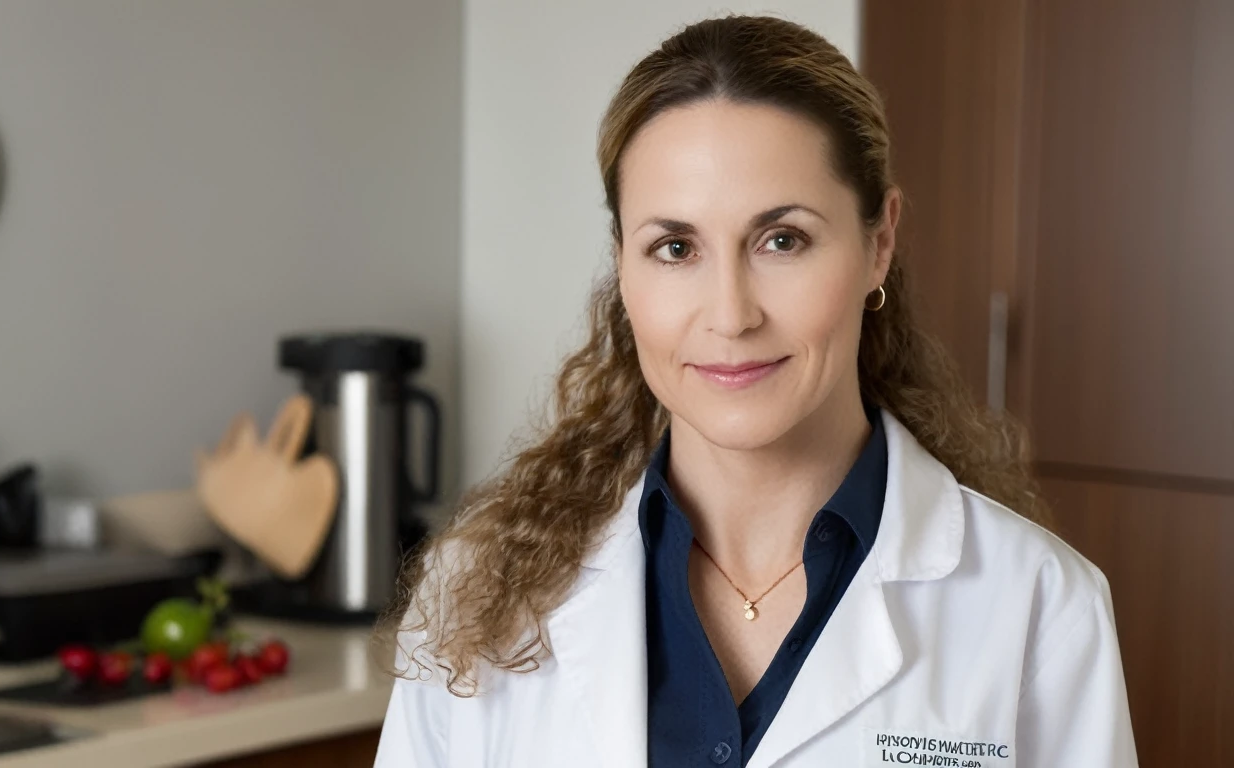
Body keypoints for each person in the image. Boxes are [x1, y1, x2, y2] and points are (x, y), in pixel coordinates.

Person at [374, 14, 1137, 768]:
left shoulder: (1040, 606)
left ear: (880, 243)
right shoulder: (473, 595)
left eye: (783, 240)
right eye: (675, 248)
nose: (732, 315)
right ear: (622, 265)